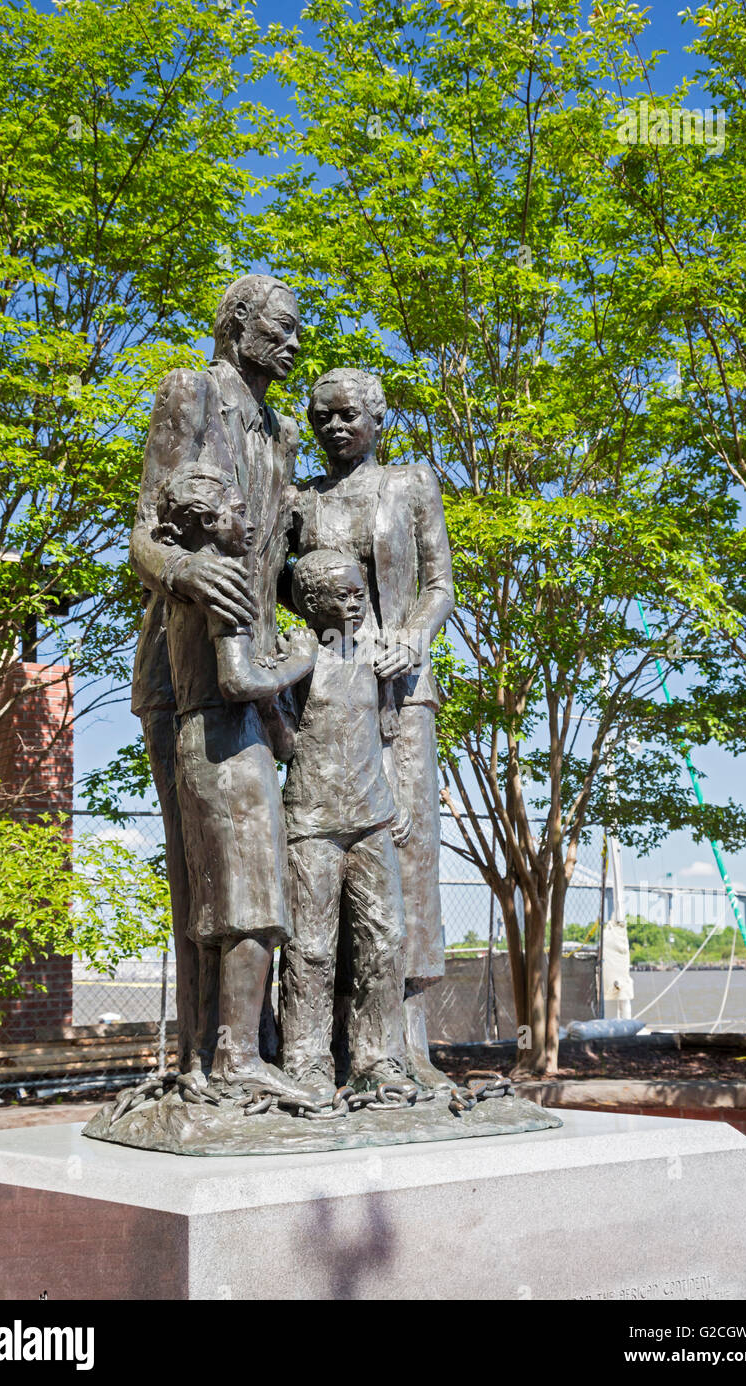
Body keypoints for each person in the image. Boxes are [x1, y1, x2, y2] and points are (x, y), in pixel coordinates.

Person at [130, 274, 301, 1080]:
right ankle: (208, 1060)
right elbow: (143, 537)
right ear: (238, 326)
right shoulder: (190, 393)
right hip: (186, 667)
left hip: (262, 671)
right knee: (205, 871)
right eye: (282, 328)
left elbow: (280, 563)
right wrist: (186, 571)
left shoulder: (284, 431)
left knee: (260, 870)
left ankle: (248, 1049)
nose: (295, 343)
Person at [286, 368, 455, 1086]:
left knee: (406, 858)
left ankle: (404, 1049)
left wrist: (412, 637)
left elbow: (440, 584)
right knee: (323, 863)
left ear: (378, 418)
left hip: (401, 690)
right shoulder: (302, 499)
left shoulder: (411, 485)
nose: (334, 427)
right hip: (326, 692)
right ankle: (321, 1052)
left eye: (348, 413)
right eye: (322, 417)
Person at [155, 455, 318, 1101]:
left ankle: (216, 1054)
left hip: (208, 745)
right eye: (237, 510)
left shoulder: (187, 586)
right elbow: (239, 680)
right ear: (205, 521)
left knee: (223, 912)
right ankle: (239, 1059)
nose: (249, 521)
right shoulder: (224, 579)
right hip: (227, 749)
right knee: (251, 912)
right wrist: (299, 659)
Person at [277, 549, 410, 1099]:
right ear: (311, 602)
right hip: (312, 820)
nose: (356, 603)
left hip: (372, 816)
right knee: (311, 948)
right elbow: (283, 744)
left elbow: (385, 736)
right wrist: (284, 677)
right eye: (343, 594)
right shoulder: (295, 655)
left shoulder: (380, 658)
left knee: (385, 939)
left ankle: (378, 1061)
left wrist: (395, 793)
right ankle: (306, 1064)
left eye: (361, 593)